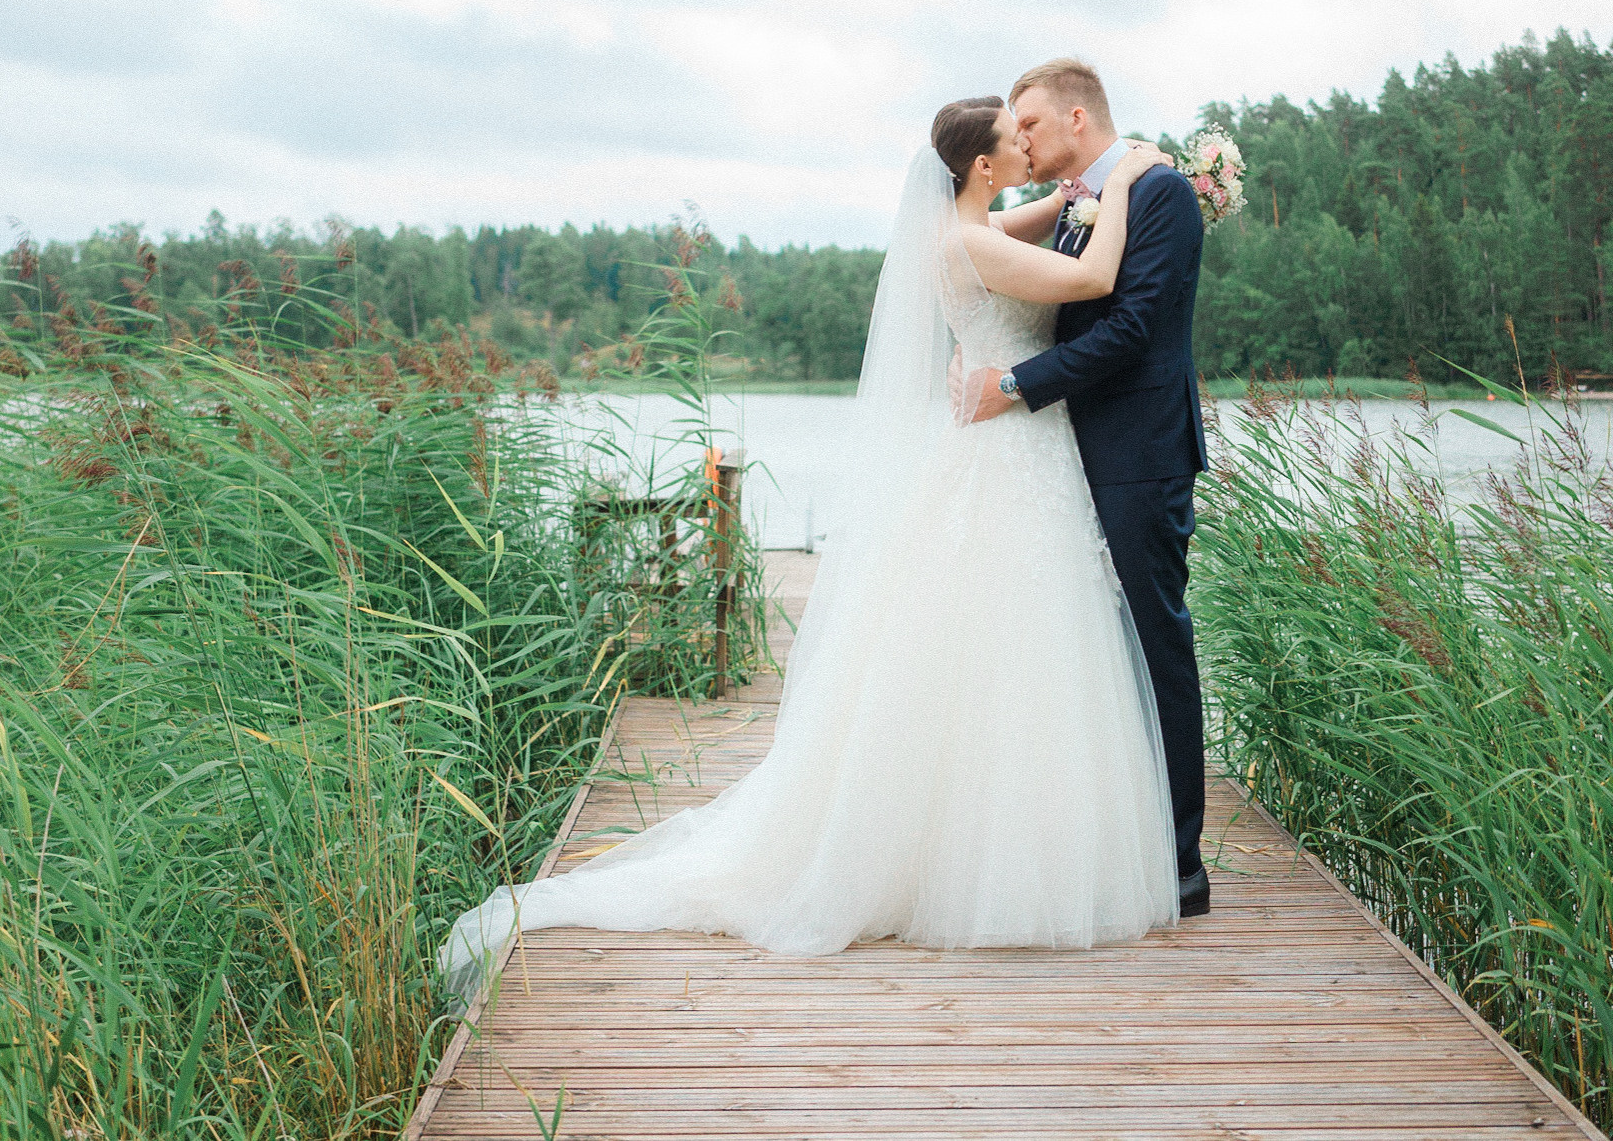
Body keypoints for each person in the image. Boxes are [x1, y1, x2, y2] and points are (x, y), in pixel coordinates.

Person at [439, 91, 1181, 988]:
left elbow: (1048, 214)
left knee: (1006, 649)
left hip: (1006, 451)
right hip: (1006, 454)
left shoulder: (968, 226)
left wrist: (1075, 198)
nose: (1029, 145)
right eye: (1013, 139)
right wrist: (1133, 178)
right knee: (1009, 645)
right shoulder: (971, 244)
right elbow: (1099, 279)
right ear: (981, 166)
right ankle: (975, 869)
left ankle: (992, 849)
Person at [966, 57, 1212, 919]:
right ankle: (1118, 845)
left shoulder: (1161, 195)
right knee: (1100, 657)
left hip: (1142, 454)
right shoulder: (1080, 204)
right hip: (1071, 458)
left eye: (1028, 124)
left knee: (1156, 646)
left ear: (1078, 117)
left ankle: (1180, 865)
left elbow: (1135, 329)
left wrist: (1017, 384)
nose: (1018, 138)